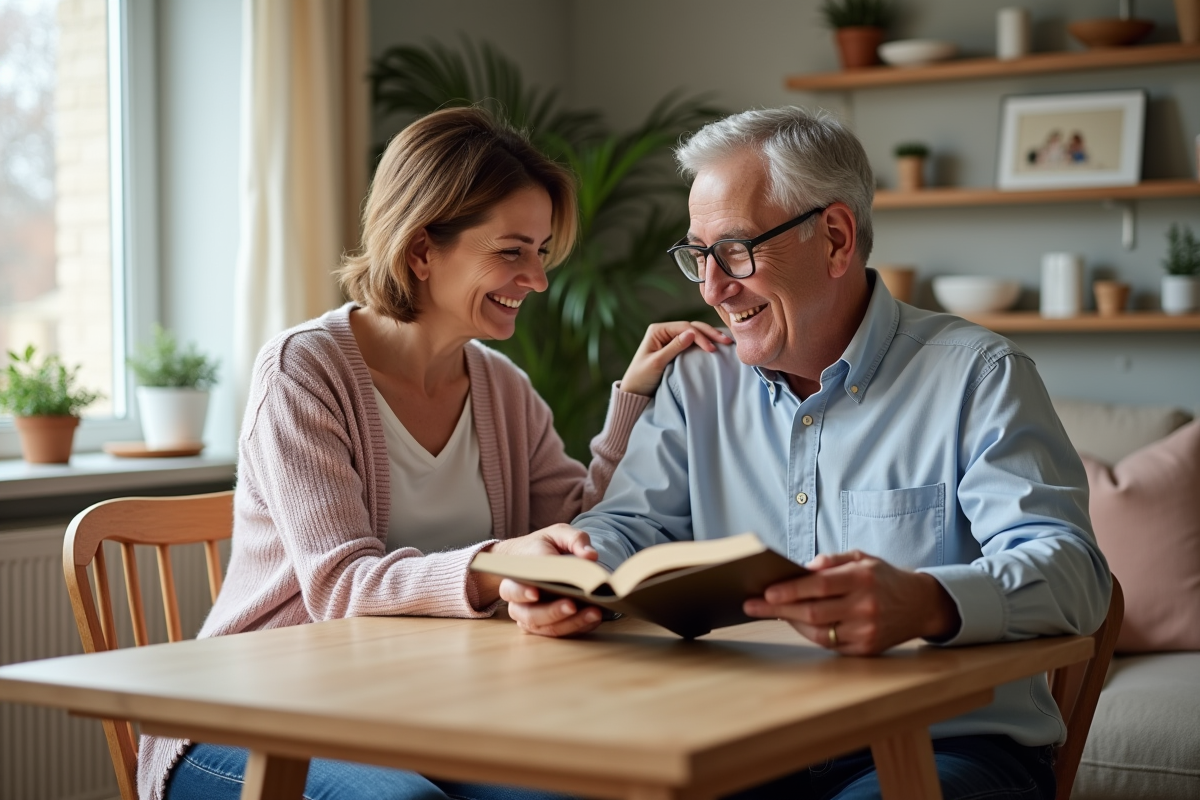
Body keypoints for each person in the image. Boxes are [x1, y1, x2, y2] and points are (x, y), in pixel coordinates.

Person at [502, 107, 1112, 799]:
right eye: (698, 255)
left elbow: (1075, 574)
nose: (711, 287)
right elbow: (632, 528)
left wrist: (927, 602)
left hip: (950, 745)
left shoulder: (979, 374)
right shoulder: (696, 381)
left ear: (835, 238)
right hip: (742, 739)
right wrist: (574, 573)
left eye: (736, 250)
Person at [141, 106, 730, 800]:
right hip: (252, 718)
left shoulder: (500, 387)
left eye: (541, 252)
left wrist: (633, 395)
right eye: (512, 251)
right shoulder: (304, 371)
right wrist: (497, 564)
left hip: (411, 710)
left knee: (587, 789)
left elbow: (580, 525)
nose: (537, 280)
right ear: (422, 250)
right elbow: (341, 586)